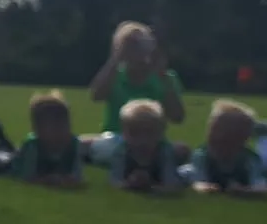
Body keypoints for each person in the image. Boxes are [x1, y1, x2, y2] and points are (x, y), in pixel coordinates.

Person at [84, 21, 187, 162]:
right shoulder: (114, 76)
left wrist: (163, 76)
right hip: (116, 138)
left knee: (182, 150)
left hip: (153, 142)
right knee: (79, 144)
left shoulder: (166, 78)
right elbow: (96, 96)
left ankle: (124, 158)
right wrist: (115, 60)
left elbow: (177, 117)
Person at [186, 99, 267, 196]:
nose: (217, 136)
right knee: (184, 172)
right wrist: (205, 187)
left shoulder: (249, 158)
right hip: (191, 173)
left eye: (225, 132)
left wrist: (244, 190)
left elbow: (261, 187)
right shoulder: (202, 154)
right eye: (213, 129)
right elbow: (198, 180)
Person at [11, 92, 86, 188]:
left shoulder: (74, 144)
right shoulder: (32, 146)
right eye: (54, 128)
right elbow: (26, 177)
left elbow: (78, 176)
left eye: (64, 125)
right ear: (37, 130)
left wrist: (67, 180)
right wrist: (47, 181)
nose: (60, 132)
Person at [107, 99, 182, 193]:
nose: (142, 139)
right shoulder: (121, 151)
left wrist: (151, 187)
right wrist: (130, 184)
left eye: (149, 132)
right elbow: (116, 181)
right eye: (134, 133)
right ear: (123, 132)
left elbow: (171, 183)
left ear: (161, 132)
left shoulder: (164, 151)